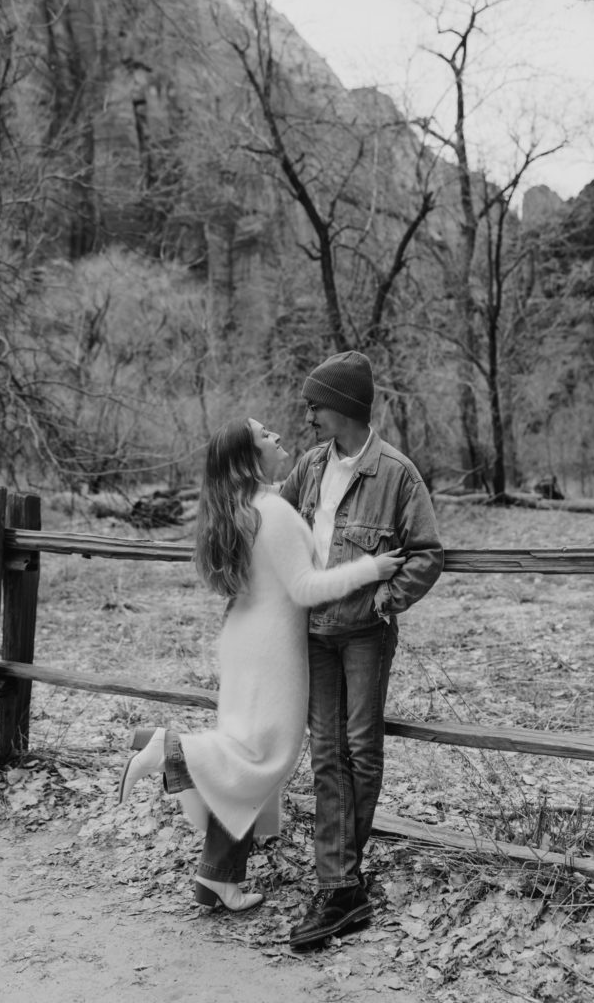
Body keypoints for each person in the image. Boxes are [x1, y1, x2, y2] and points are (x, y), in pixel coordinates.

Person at [118, 416, 405, 914]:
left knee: (244, 763)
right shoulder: (272, 510)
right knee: (259, 761)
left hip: (245, 641)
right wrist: (371, 569)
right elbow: (305, 589)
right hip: (273, 650)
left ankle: (218, 878)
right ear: (253, 459)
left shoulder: (240, 507)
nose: (277, 436)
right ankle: (170, 748)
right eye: (266, 435)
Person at [280, 350, 444, 948]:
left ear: (344, 406)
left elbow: (426, 551)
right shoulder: (309, 465)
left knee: (360, 750)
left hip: (364, 635)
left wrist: (388, 599)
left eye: (315, 405)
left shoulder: (396, 474)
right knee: (326, 753)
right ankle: (340, 885)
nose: (309, 416)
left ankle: (340, 884)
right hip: (314, 634)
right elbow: (274, 520)